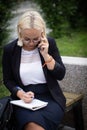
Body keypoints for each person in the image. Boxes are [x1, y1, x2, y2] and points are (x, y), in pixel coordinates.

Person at [2, 10, 66, 130]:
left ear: (42, 33)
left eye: (35, 39)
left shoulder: (49, 44)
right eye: (27, 39)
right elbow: (8, 80)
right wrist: (20, 93)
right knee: (32, 125)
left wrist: (46, 55)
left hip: (50, 98)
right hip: (23, 99)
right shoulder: (10, 50)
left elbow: (61, 74)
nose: (31, 43)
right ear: (19, 33)